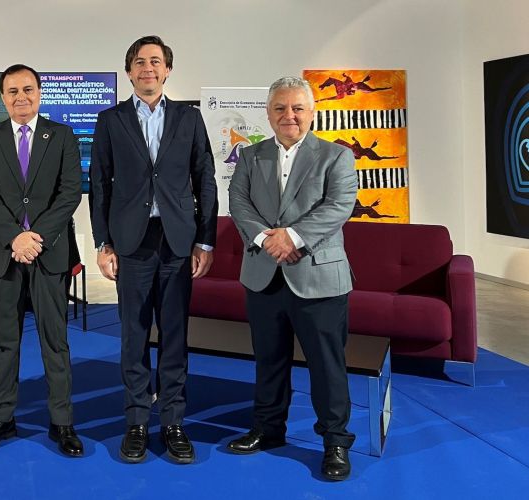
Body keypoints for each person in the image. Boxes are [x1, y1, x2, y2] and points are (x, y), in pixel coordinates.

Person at [89, 35, 218, 464]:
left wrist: (204, 240)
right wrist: (103, 242)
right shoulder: (110, 120)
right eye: (140, 62)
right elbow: (99, 184)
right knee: (134, 335)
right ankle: (137, 422)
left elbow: (205, 179)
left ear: (167, 70)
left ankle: (174, 423)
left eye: (156, 61)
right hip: (131, 242)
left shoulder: (189, 118)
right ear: (129, 71)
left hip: (178, 241)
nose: (148, 68)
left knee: (175, 335)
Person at [226, 76, 358, 481]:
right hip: (264, 275)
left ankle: (335, 442)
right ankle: (268, 429)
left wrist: (292, 237)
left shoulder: (336, 156)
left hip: (318, 277)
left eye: (298, 108)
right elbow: (238, 201)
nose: (289, 115)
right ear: (268, 114)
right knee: (269, 359)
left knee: (327, 365)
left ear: (311, 113)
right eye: (280, 108)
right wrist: (268, 239)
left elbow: (339, 205)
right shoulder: (251, 156)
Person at [0, 64, 84, 457]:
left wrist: (35, 238)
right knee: (4, 342)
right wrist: (14, 237)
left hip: (49, 252)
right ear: (3, 97)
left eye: (28, 89)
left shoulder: (62, 136)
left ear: (40, 93)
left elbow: (70, 192)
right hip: (5, 254)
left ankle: (62, 421)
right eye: (13, 91)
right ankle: (1, 417)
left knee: (56, 341)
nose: (21, 97)